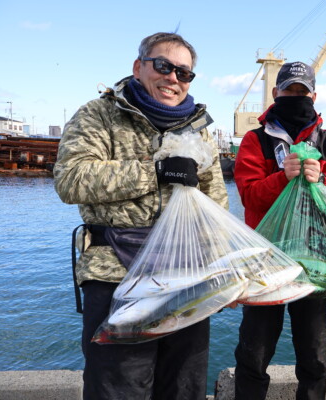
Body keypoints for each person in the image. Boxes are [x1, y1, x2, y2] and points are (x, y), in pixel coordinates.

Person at [53, 32, 228, 400]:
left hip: (187, 277)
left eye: (184, 73)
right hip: (116, 274)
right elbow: (71, 180)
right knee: (118, 388)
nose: (173, 78)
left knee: (184, 388)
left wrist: (223, 272)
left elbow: (216, 205)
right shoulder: (99, 114)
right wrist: (157, 171)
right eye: (163, 66)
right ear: (138, 66)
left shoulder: (199, 127)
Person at [233, 61, 326, 399]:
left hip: (316, 262)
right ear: (275, 93)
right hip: (264, 259)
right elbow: (249, 195)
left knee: (316, 355)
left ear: (314, 95)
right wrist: (281, 177)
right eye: (289, 90)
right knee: (254, 353)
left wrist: (324, 180)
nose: (296, 96)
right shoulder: (255, 141)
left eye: (302, 91)